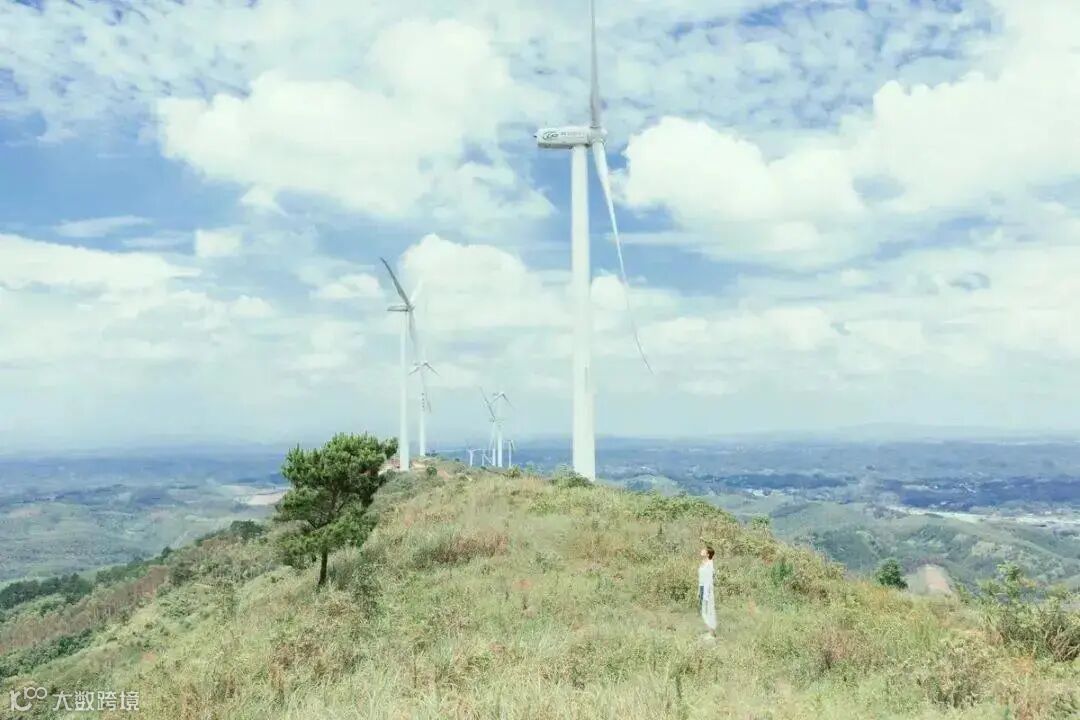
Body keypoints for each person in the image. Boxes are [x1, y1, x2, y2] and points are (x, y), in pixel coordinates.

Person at [698, 545, 717, 639]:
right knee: (703, 610)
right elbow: (701, 578)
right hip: (702, 587)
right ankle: (710, 632)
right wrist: (699, 590)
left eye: (704, 550)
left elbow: (709, 579)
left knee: (708, 610)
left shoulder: (709, 563)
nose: (701, 550)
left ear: (708, 554)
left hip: (707, 589)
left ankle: (711, 633)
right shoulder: (703, 563)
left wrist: (707, 592)